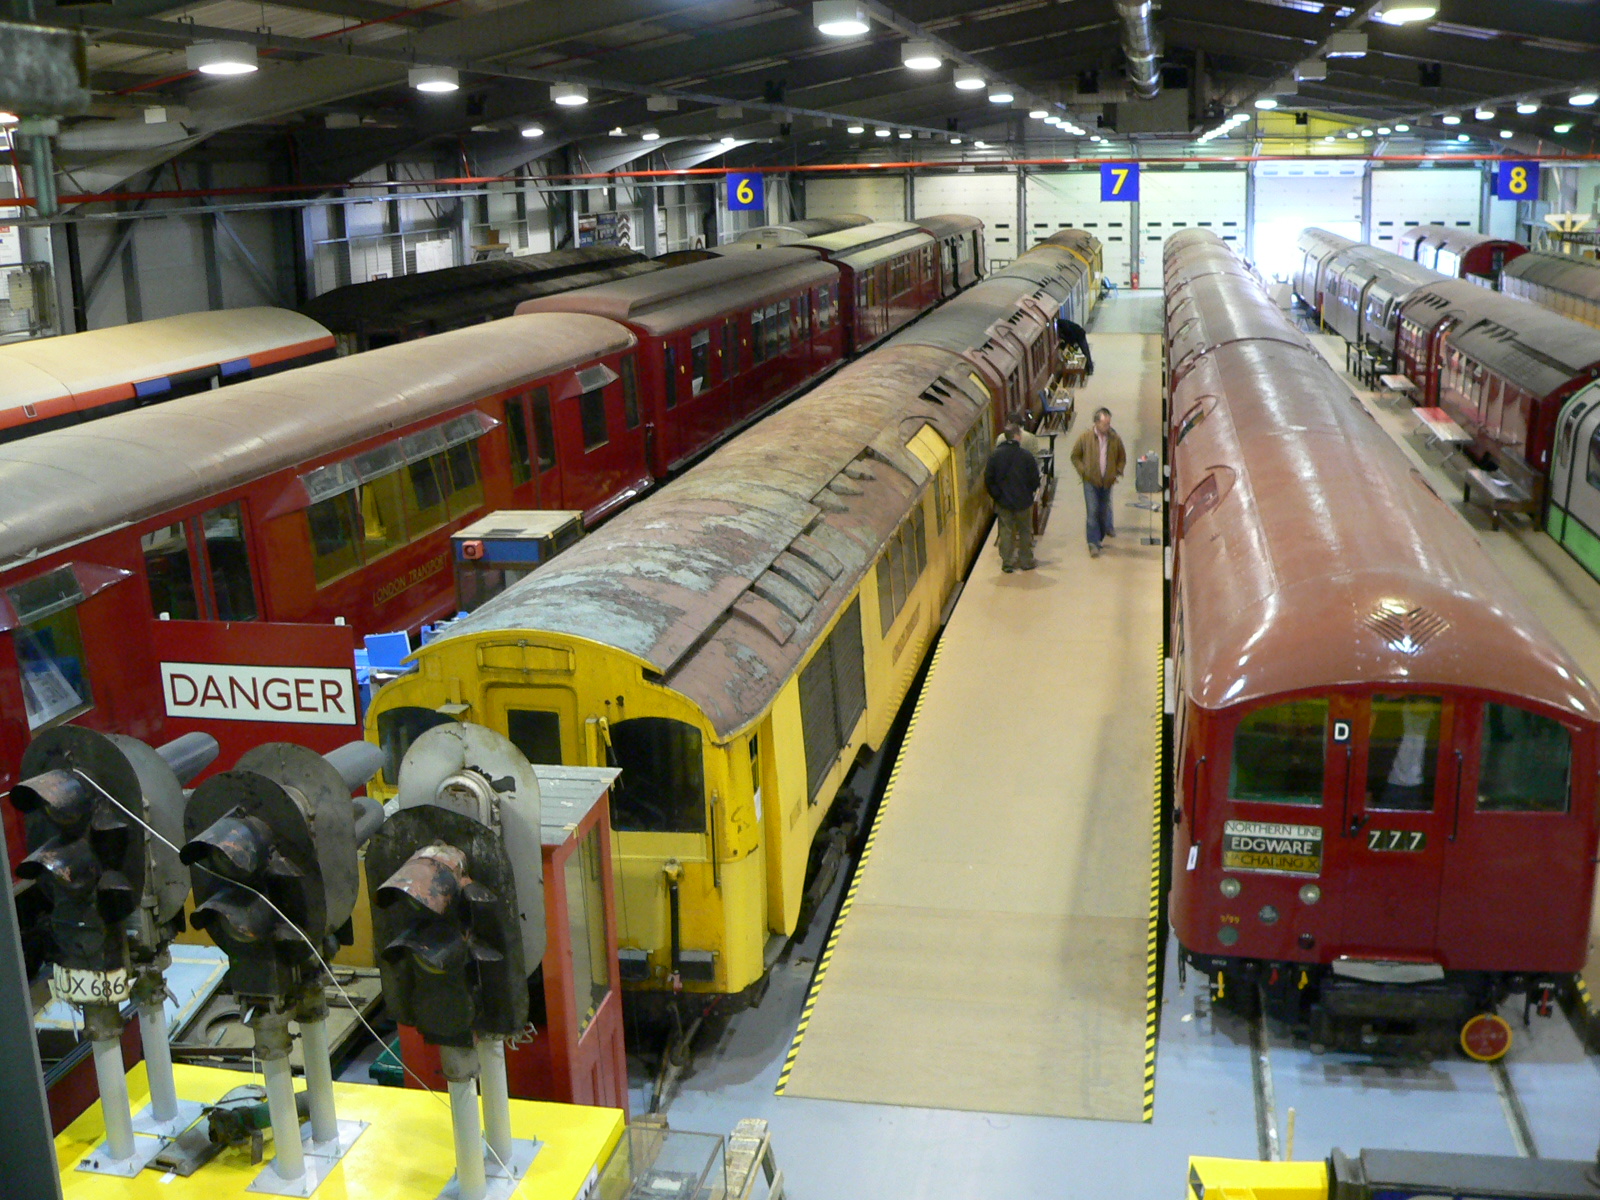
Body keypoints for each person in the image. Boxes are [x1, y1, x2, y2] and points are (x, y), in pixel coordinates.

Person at [985, 421, 1041, 573]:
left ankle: (1007, 562)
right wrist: (1028, 492)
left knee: (1006, 531)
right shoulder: (1026, 456)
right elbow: (1035, 479)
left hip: (1003, 503)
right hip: (1023, 501)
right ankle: (1026, 561)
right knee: (1025, 531)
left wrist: (997, 496)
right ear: (1018, 436)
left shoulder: (995, 456)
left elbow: (989, 480)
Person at [1070, 407, 1126, 558]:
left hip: (1107, 482)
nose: (1108, 427)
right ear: (1096, 423)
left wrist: (1116, 472)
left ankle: (1099, 537)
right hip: (1091, 481)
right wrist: (1084, 471)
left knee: (1102, 512)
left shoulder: (1115, 439)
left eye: (1108, 424)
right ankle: (1093, 543)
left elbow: (1122, 457)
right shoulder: (1085, 438)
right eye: (1105, 424)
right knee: (1092, 511)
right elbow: (1075, 456)